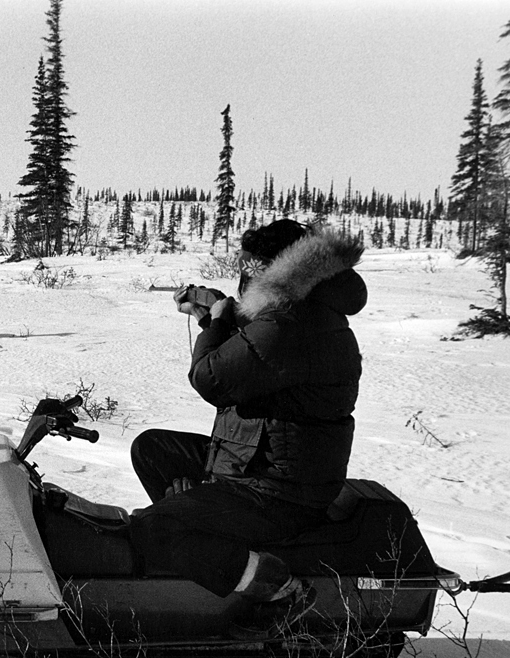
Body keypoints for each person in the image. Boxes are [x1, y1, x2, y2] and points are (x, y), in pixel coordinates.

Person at [128, 219, 367, 635]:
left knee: (155, 527)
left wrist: (219, 322)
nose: (246, 277)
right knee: (153, 449)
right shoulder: (299, 309)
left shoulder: (292, 322)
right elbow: (257, 349)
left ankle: (278, 588)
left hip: (281, 491)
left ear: (279, 269)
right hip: (263, 466)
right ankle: (220, 554)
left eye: (254, 269)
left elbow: (211, 379)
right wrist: (216, 315)